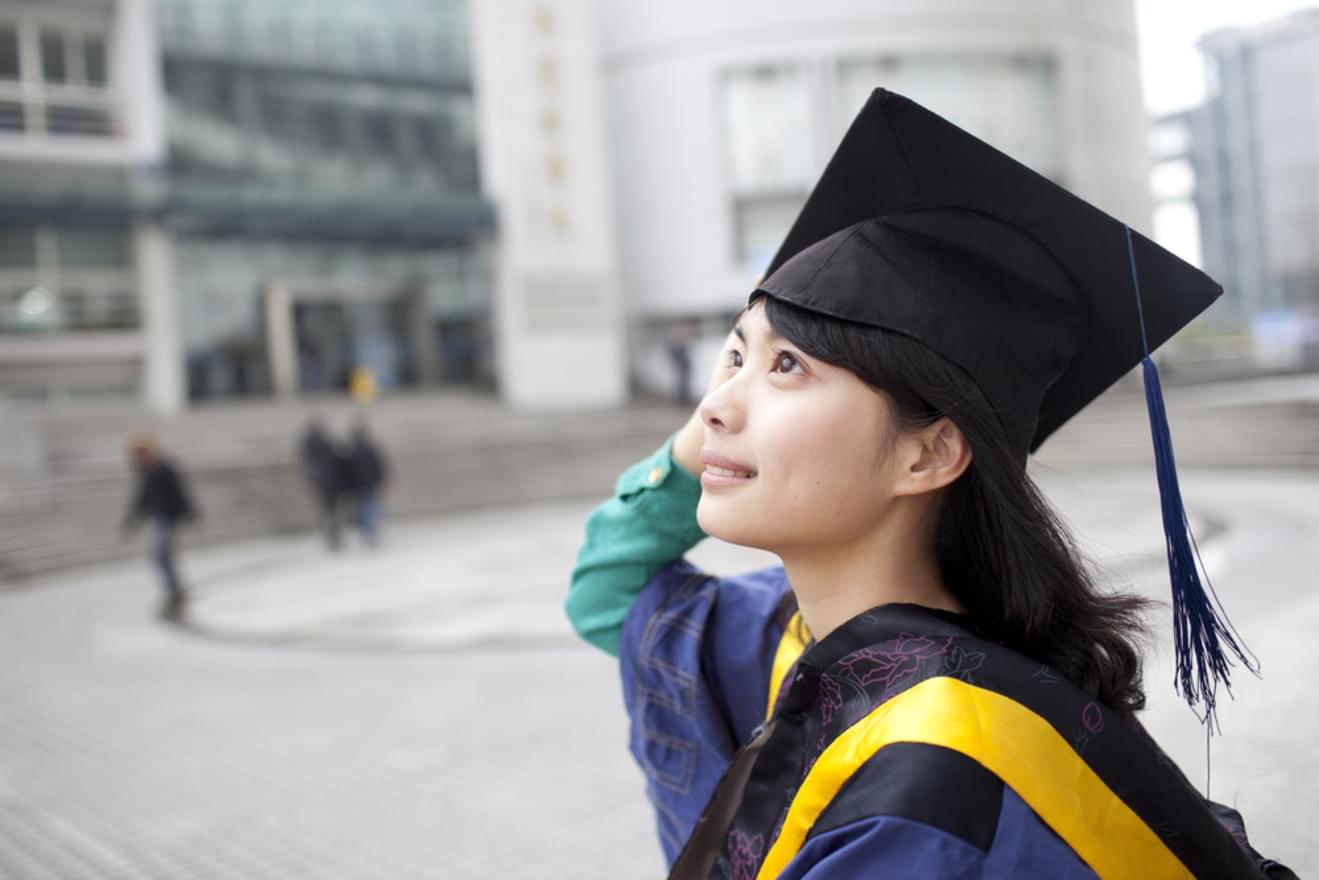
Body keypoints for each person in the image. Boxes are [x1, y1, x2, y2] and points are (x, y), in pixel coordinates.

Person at [566, 91, 1296, 878]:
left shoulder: (936, 784)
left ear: (928, 455)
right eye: (734, 356)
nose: (712, 406)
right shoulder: (793, 634)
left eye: (789, 367)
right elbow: (609, 590)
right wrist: (717, 429)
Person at [122, 434, 197, 620]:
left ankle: (176, 591)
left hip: (168, 518)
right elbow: (143, 498)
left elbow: (179, 492)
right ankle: (175, 590)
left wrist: (188, 513)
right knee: (162, 557)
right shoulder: (146, 472)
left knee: (160, 555)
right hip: (159, 518)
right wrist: (132, 520)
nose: (140, 459)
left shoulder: (165, 468)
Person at [300, 417, 344, 550]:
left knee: (326, 510)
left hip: (320, 482)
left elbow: (308, 466)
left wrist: (310, 482)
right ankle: (334, 535)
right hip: (332, 482)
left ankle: (330, 535)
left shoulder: (309, 446)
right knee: (333, 510)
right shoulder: (328, 443)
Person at [344, 419, 388, 545]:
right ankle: (371, 532)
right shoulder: (369, 448)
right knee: (370, 508)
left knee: (364, 509)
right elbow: (378, 466)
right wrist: (382, 479)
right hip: (369, 483)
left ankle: (367, 532)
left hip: (359, 485)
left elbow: (347, 471)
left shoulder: (350, 451)